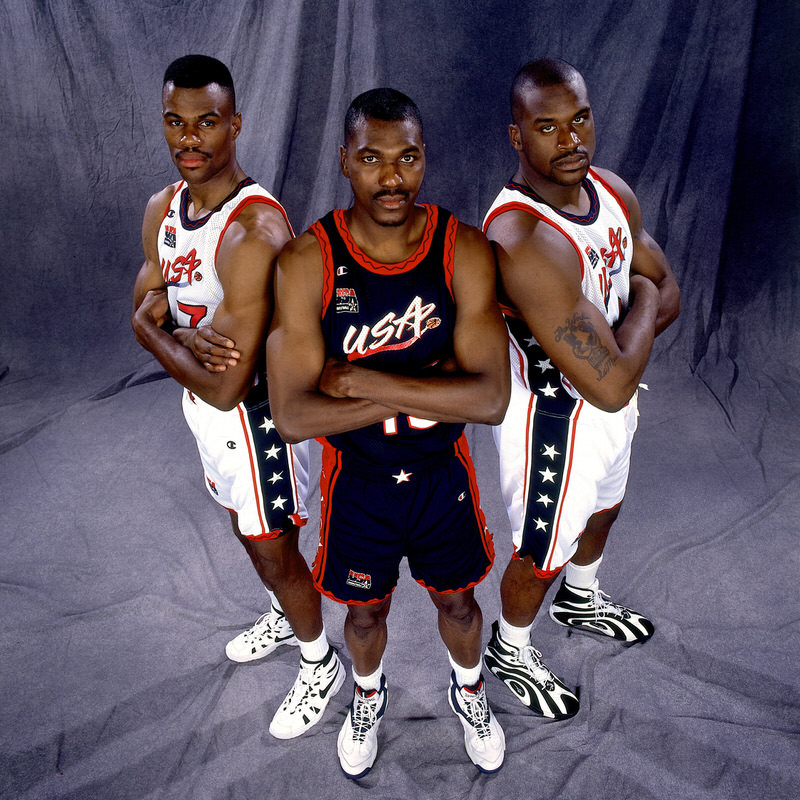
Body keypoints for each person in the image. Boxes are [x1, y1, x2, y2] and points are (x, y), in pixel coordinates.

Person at [266, 88, 511, 778]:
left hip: (441, 473)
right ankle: (366, 699)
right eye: (372, 159)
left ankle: (470, 695)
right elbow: (293, 415)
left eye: (406, 158)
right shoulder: (309, 262)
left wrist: (366, 381)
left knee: (458, 599)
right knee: (365, 613)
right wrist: (431, 385)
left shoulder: (460, 248)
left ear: (424, 157)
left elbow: (490, 398)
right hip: (361, 483)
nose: (393, 177)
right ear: (345, 160)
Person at [131, 54, 342, 740]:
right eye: (176, 122)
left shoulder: (254, 232)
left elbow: (226, 383)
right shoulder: (163, 209)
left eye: (208, 123)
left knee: (273, 543)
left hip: (256, 422)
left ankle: (319, 661)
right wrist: (188, 336)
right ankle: (285, 616)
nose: (189, 138)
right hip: (205, 410)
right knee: (242, 528)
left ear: (236, 126)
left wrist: (150, 332)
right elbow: (152, 293)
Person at [481, 58, 680, 719]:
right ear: (517, 137)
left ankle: (583, 597)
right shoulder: (523, 237)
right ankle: (509, 648)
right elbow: (614, 380)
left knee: (607, 506)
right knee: (542, 549)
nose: (571, 142)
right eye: (548, 128)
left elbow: (669, 291)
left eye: (580, 120)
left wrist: (641, 306)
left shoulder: (611, 191)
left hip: (607, 399)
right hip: (553, 420)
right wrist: (642, 299)